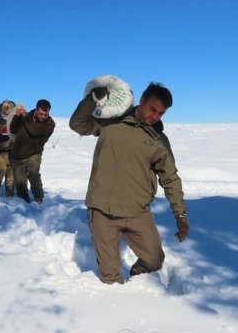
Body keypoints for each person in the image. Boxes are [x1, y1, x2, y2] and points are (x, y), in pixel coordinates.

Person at [69, 82, 189, 284]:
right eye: (153, 110)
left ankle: (137, 284)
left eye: (161, 113)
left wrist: (180, 213)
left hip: (137, 212)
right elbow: (77, 125)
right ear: (141, 101)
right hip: (102, 211)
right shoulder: (111, 122)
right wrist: (92, 101)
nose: (155, 116)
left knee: (154, 260)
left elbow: (170, 178)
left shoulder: (158, 140)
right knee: (110, 278)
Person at [9, 99, 55, 203]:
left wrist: (25, 117)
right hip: (17, 155)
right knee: (20, 183)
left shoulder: (50, 124)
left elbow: (34, 131)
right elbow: (13, 129)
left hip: (34, 153)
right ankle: (24, 204)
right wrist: (17, 116)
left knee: (33, 174)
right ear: (36, 110)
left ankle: (39, 199)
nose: (43, 117)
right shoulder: (26, 116)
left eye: (45, 114)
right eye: (41, 114)